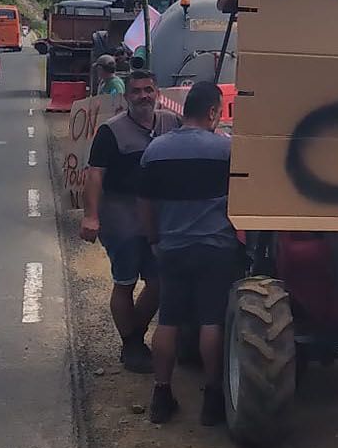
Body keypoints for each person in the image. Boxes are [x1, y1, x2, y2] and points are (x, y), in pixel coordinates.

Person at [137, 81, 243, 425]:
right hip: (216, 248)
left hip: (171, 247)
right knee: (211, 322)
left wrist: (155, 239)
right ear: (213, 111)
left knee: (168, 321)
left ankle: (162, 394)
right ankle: (213, 398)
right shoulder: (226, 151)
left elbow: (146, 203)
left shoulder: (155, 151)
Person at [79, 70, 180, 373]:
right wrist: (91, 216)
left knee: (159, 282)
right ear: (126, 96)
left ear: (157, 92)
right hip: (121, 213)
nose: (143, 96)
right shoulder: (111, 131)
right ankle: (133, 344)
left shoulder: (170, 123)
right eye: (136, 91)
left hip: (159, 215)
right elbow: (95, 174)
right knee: (125, 281)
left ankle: (132, 338)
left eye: (148, 89)